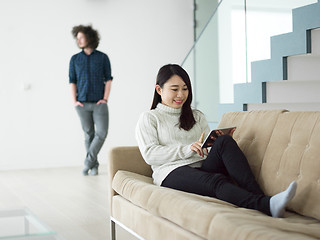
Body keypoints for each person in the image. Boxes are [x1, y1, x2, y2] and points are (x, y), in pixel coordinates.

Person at [135, 64, 297, 217]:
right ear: (159, 90)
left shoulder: (196, 116)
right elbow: (150, 154)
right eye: (175, 89)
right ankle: (266, 205)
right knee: (216, 181)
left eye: (185, 89)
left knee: (224, 141)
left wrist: (211, 144)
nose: (181, 95)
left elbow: (205, 148)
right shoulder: (150, 118)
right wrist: (188, 149)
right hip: (170, 172)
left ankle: (263, 199)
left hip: (201, 167)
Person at [69, 25, 113, 176]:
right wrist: (75, 101)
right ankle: (94, 166)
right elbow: (72, 81)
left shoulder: (102, 57)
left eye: (81, 37)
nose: (78, 40)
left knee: (101, 133)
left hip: (99, 103)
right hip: (82, 104)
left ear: (90, 37)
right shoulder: (75, 59)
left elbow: (108, 80)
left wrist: (105, 99)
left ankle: (87, 163)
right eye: (77, 37)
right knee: (88, 135)